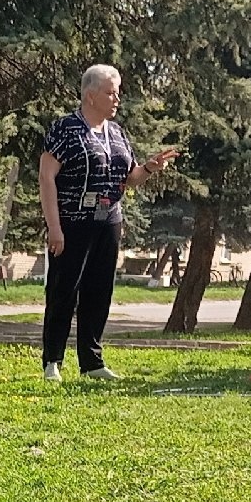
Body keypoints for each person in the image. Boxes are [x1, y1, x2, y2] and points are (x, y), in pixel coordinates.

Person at [39, 65, 177, 381]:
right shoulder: (65, 129)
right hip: (72, 222)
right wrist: (55, 227)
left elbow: (131, 178)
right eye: (110, 92)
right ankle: (52, 362)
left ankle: (92, 363)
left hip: (108, 222)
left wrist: (150, 168)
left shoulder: (116, 133)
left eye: (117, 92)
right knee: (64, 291)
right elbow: (47, 177)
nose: (116, 99)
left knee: (99, 292)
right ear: (90, 95)